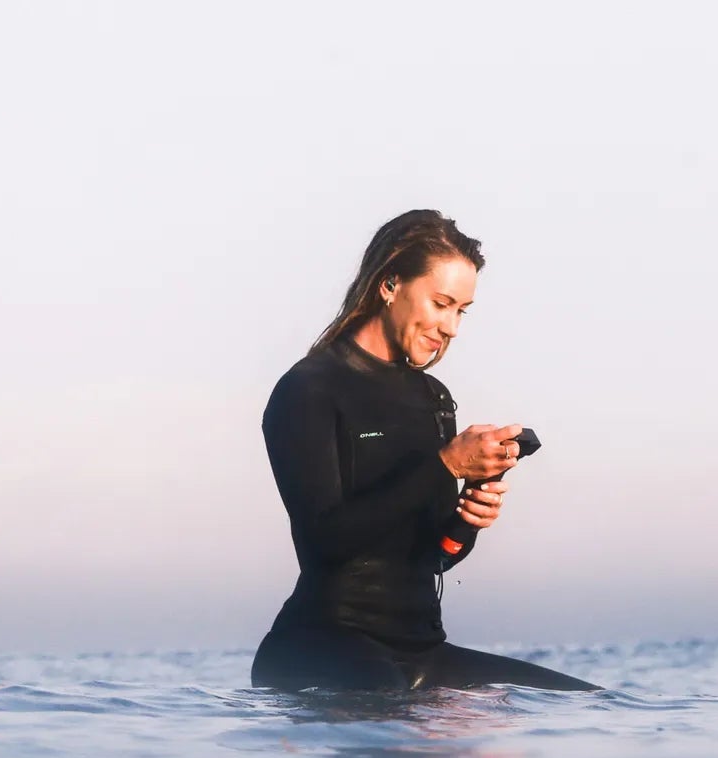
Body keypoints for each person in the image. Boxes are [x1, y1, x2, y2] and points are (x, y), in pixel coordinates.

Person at [251, 210, 598, 692]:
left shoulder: (431, 398)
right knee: (401, 716)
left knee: (590, 705)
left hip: (420, 652)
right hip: (319, 647)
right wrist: (447, 464)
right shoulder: (309, 389)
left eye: (462, 310)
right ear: (390, 284)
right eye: (441, 303)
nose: (451, 326)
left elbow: (435, 558)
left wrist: (468, 514)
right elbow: (324, 540)